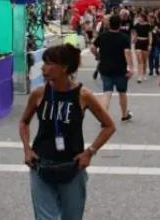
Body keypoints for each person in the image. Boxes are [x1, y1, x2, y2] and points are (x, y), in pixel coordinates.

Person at [19, 44, 115, 220]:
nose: (43, 67)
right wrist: (27, 149)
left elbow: (109, 126)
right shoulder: (38, 93)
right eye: (44, 62)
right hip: (41, 165)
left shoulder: (82, 95)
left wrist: (90, 152)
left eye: (49, 63)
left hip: (72, 167)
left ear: (64, 68)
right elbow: (24, 122)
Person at [91, 15, 134, 122]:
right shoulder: (124, 37)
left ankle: (103, 116)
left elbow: (92, 47)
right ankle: (124, 115)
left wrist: (97, 55)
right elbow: (127, 53)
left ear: (109, 24)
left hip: (105, 68)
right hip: (120, 69)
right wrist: (131, 68)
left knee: (107, 92)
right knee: (122, 92)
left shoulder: (103, 36)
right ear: (120, 25)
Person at [133, 13, 152, 83]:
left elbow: (150, 35)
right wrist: (134, 40)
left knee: (144, 60)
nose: (139, 18)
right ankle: (139, 76)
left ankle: (144, 73)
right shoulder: (136, 25)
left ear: (143, 18)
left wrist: (150, 44)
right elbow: (135, 34)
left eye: (140, 17)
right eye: (138, 17)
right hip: (138, 43)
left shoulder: (148, 25)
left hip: (145, 42)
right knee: (139, 60)